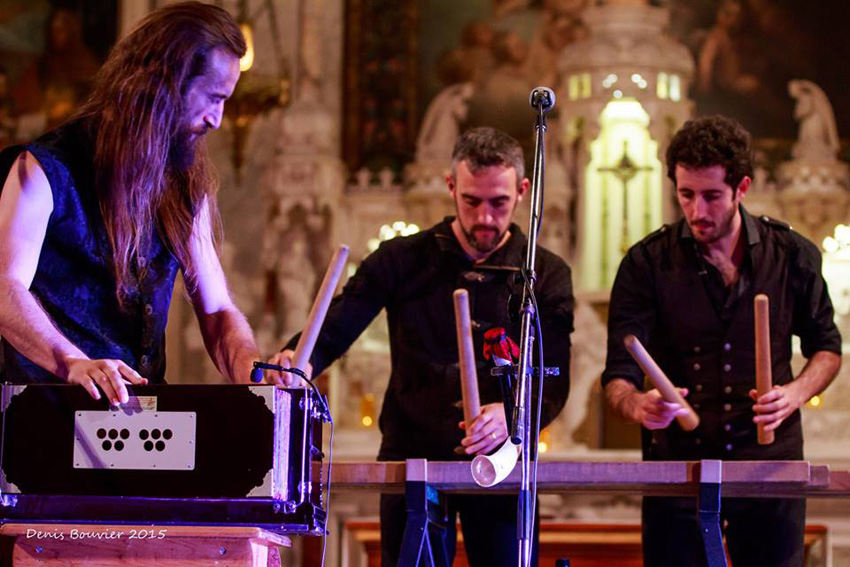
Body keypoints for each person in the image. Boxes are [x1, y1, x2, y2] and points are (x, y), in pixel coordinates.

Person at [271, 127, 574, 567]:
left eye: (499, 203)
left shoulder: (545, 273)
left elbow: (556, 374)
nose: (485, 218)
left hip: (501, 458)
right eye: (471, 201)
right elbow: (337, 324)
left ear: (523, 191)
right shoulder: (402, 259)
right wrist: (296, 361)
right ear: (451, 186)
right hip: (412, 448)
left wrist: (514, 416)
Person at [602, 115, 842, 567]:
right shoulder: (645, 264)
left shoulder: (792, 254)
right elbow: (618, 374)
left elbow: (827, 349)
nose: (697, 211)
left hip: (769, 464)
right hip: (678, 468)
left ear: (742, 187)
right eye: (685, 194)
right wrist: (637, 405)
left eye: (711, 196)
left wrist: (794, 394)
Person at [0, 2, 261, 405]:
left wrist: (256, 373)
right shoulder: (43, 170)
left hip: (142, 421)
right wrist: (73, 362)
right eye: (212, 98)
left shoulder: (185, 188)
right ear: (166, 84)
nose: (217, 119)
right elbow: (4, 287)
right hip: (44, 419)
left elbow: (217, 309)